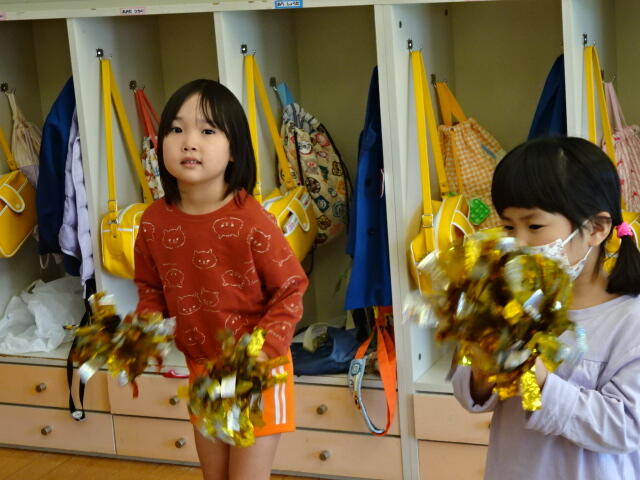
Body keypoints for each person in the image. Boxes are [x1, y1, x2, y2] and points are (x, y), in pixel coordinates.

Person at [134, 79, 308, 480]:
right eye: (176, 129)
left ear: (234, 151)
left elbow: (290, 289)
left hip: (257, 372)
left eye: (208, 131)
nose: (189, 142)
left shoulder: (252, 219)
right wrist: (146, 328)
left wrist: (261, 352)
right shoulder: (154, 221)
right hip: (202, 368)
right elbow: (150, 287)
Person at [452, 136, 640, 479]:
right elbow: (470, 396)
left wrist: (534, 374)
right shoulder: (510, 301)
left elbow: (626, 427)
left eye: (534, 226)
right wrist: (481, 368)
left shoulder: (630, 320)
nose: (517, 242)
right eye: (508, 226)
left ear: (596, 228)